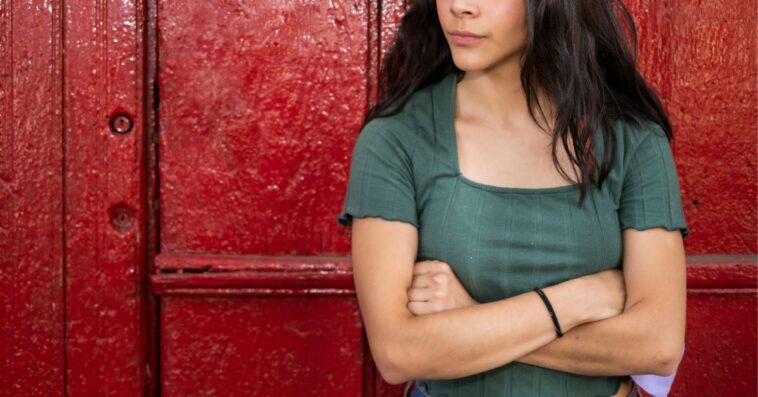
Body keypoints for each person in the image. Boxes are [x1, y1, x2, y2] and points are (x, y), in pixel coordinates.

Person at [336, 0, 690, 396]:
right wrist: (575, 301)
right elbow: (398, 353)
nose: (459, 7)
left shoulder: (632, 140)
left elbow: (657, 346)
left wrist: (471, 317)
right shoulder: (396, 140)